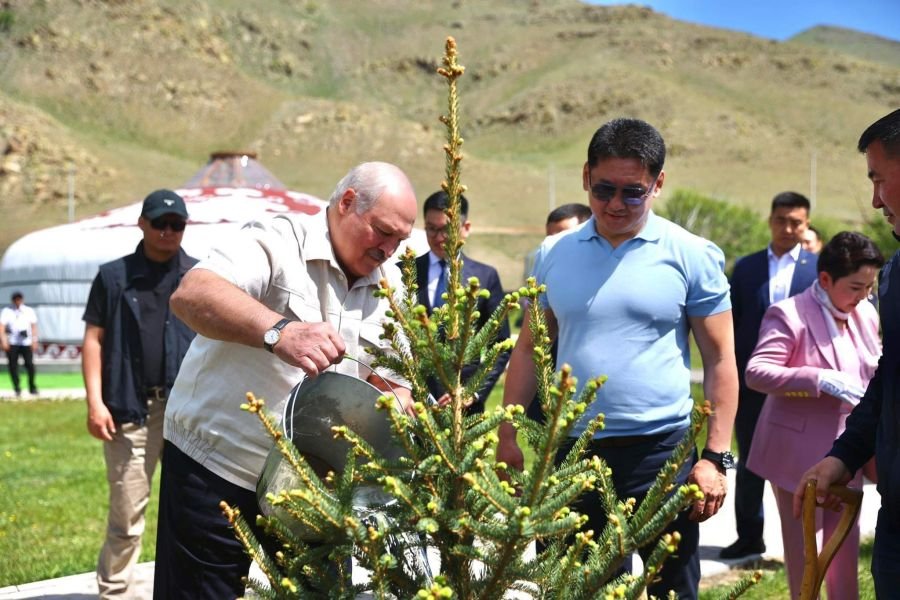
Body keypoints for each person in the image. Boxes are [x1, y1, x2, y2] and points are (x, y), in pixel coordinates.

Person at [497, 117, 738, 599]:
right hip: (570, 456)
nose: (615, 204)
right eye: (603, 188)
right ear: (585, 176)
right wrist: (508, 436)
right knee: (571, 587)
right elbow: (528, 350)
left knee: (672, 590)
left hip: (659, 457)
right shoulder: (551, 254)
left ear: (659, 184)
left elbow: (720, 360)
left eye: (633, 192)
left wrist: (714, 457)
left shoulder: (692, 255)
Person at [154, 161, 418, 599]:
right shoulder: (277, 240)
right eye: (382, 231)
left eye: (400, 240)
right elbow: (192, 294)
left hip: (313, 490)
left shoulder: (393, 288)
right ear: (347, 203)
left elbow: (391, 380)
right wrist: (279, 332)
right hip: (217, 466)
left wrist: (402, 407)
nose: (389, 249)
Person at [794, 108, 900, 596]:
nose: (876, 200)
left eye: (880, 179)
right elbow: (890, 376)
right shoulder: (897, 274)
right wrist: (844, 455)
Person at [744, 232, 883, 599]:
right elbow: (757, 372)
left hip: (847, 453)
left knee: (843, 553)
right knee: (805, 554)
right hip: (796, 453)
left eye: (869, 287)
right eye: (855, 287)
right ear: (825, 280)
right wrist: (816, 378)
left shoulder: (865, 312)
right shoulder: (789, 314)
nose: (863, 297)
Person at [81, 189, 197, 599]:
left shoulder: (199, 277)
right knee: (127, 515)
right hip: (130, 407)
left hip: (187, 411)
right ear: (142, 224)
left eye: (176, 224)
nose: (168, 231)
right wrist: (95, 402)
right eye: (160, 223)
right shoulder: (113, 277)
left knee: (189, 513)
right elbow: (93, 339)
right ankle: (114, 592)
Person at [722, 191, 818, 559]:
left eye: (796, 222)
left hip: (800, 384)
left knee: (803, 462)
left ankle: (806, 538)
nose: (788, 228)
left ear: (806, 224)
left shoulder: (818, 269)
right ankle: (749, 536)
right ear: (770, 220)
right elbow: (730, 323)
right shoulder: (745, 268)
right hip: (751, 381)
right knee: (749, 461)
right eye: (781, 220)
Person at [414, 190, 510, 412]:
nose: (439, 238)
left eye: (446, 229)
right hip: (413, 402)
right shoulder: (406, 272)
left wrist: (473, 392)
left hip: (463, 406)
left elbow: (501, 345)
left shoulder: (485, 277)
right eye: (431, 229)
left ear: (465, 228)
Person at [523, 203, 591, 423]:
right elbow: (529, 344)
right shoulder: (546, 270)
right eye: (549, 237)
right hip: (549, 392)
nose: (553, 245)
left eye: (562, 236)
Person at [0, 291, 39, 397]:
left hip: (26, 342)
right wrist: (3, 341)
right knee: (13, 366)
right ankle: (17, 387)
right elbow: (2, 327)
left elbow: (34, 326)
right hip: (13, 341)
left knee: (30, 365)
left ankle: (32, 386)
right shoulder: (7, 311)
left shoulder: (28, 311)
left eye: (19, 299)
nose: (18, 301)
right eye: (16, 299)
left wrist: (34, 340)